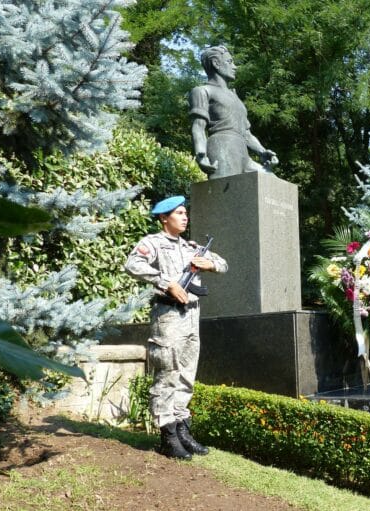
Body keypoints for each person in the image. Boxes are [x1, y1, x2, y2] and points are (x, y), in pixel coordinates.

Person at [125, 195, 228, 459]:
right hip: (169, 316)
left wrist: (211, 264)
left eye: (185, 213)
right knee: (167, 373)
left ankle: (183, 430)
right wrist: (166, 282)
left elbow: (223, 264)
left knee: (186, 373)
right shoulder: (153, 243)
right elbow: (132, 264)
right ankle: (167, 435)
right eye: (179, 213)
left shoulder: (191, 246)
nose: (185, 217)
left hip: (192, 316)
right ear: (164, 218)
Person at [189, 45, 277, 178]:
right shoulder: (202, 91)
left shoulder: (235, 97)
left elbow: (246, 133)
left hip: (243, 152)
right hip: (222, 147)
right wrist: (201, 154)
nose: (235, 67)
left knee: (271, 181)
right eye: (230, 62)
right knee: (224, 193)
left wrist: (262, 152)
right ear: (216, 63)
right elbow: (198, 127)